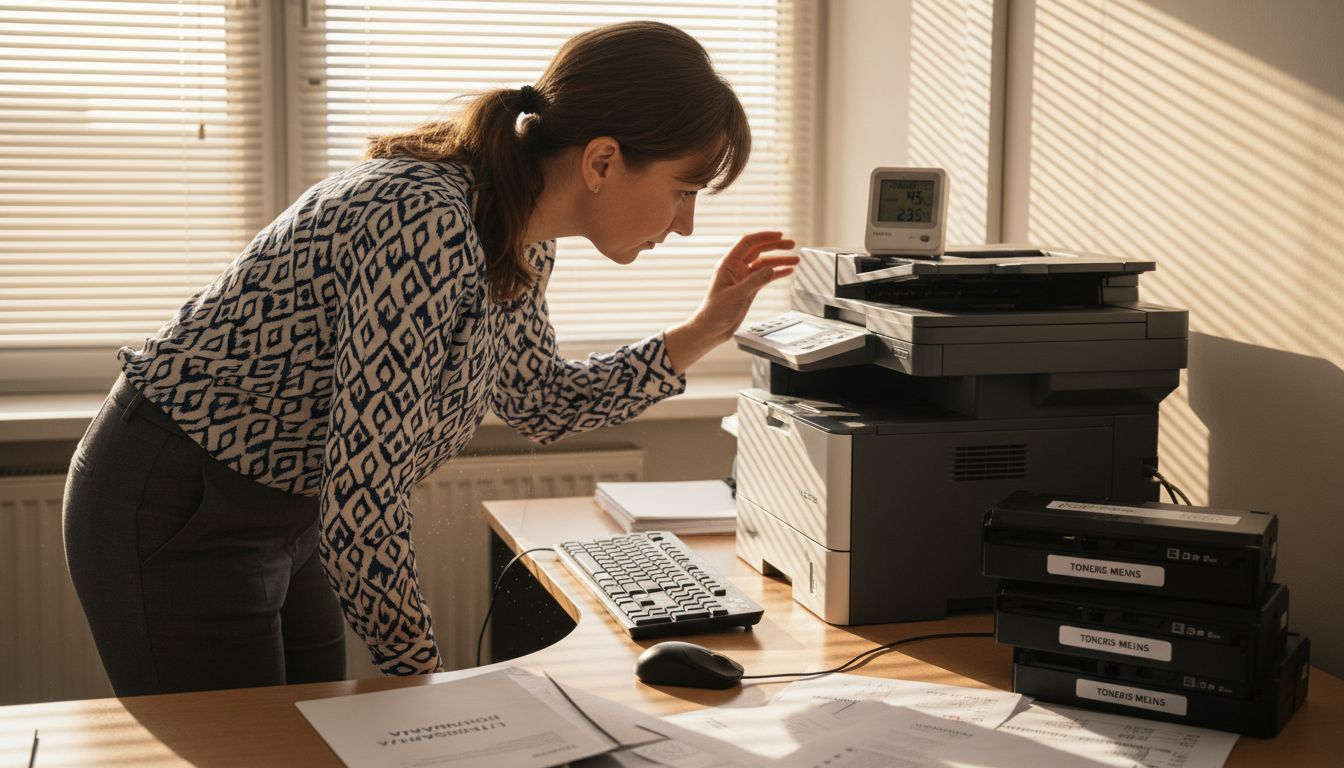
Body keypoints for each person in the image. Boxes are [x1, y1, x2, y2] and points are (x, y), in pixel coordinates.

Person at [62, 20, 797, 695]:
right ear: (602, 160)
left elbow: (540, 401)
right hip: (177, 496)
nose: (685, 224)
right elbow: (366, 496)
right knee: (256, 748)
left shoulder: (518, 232)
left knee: (312, 737)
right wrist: (434, 693)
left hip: (289, 503)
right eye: (683, 190)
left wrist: (708, 327)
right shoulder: (424, 221)